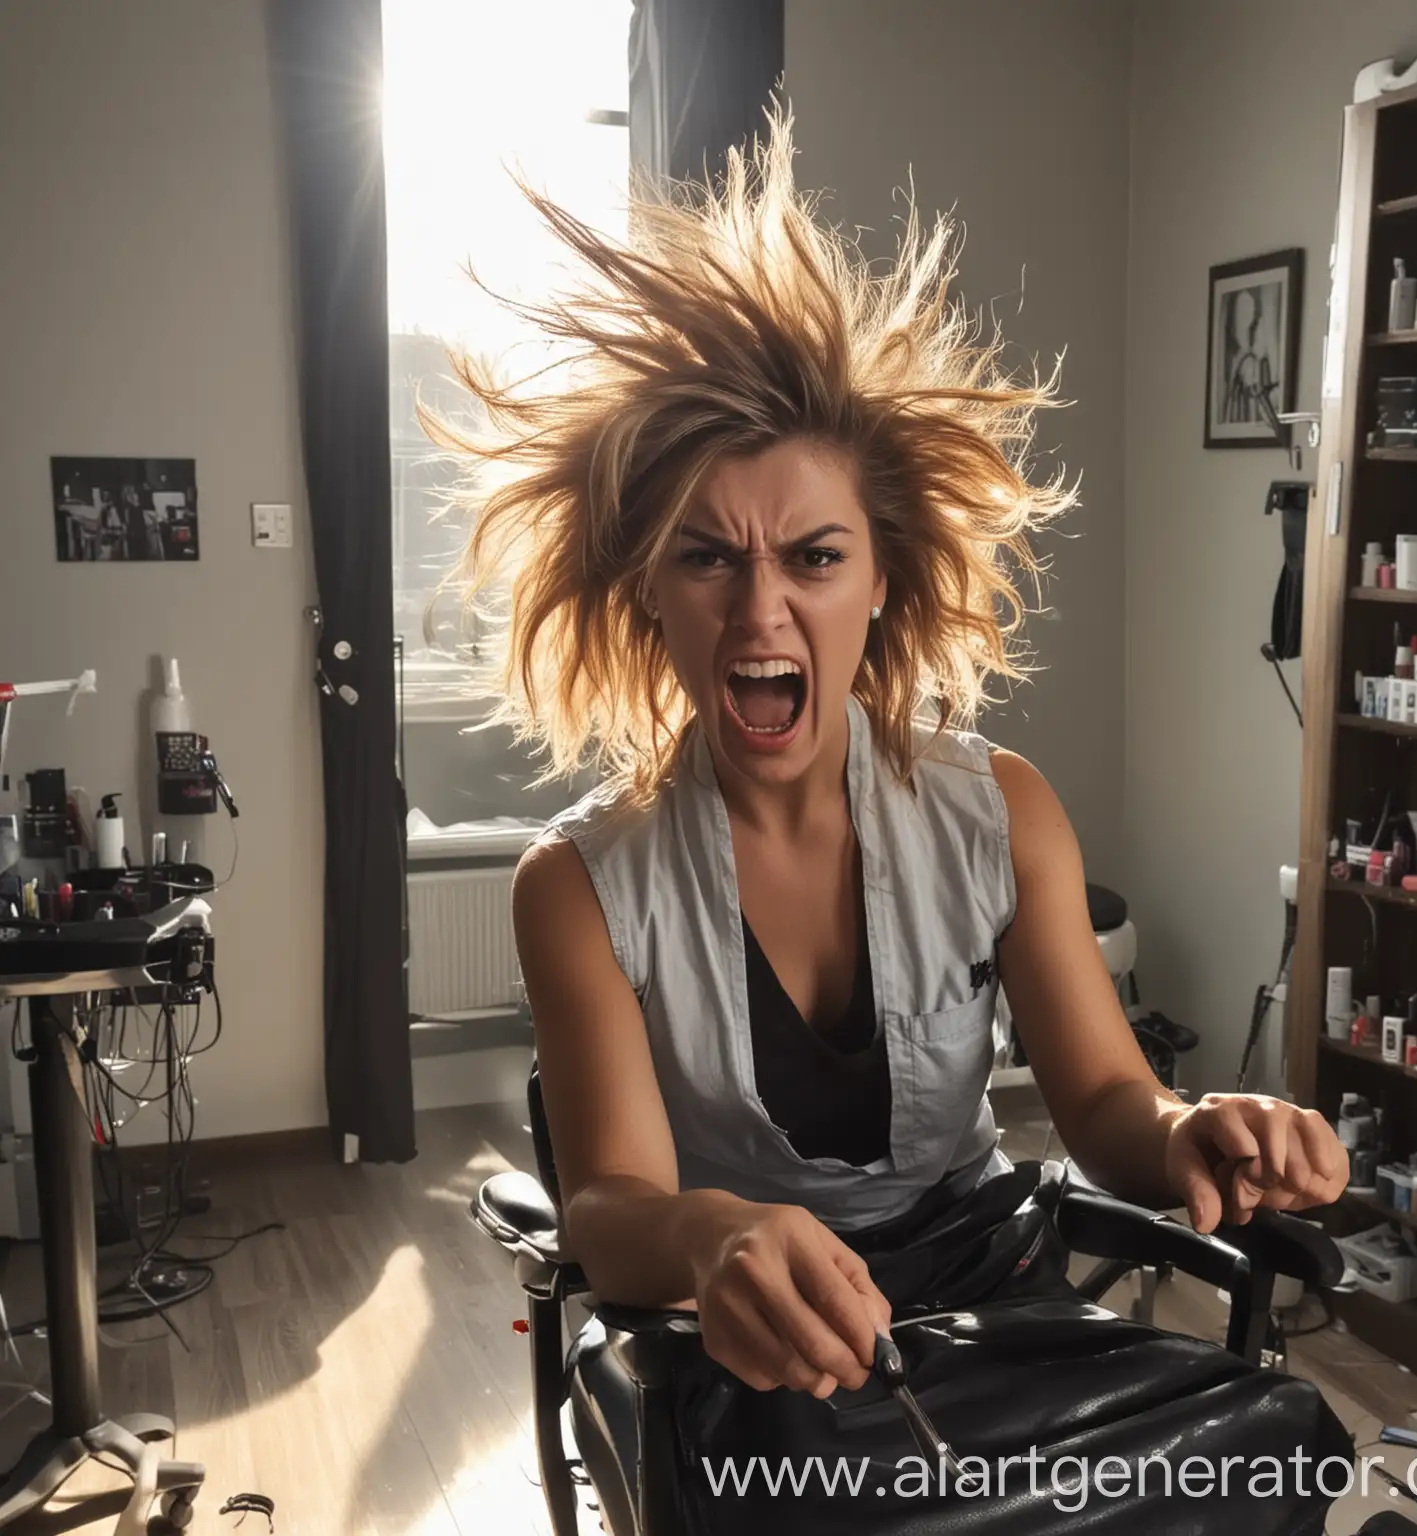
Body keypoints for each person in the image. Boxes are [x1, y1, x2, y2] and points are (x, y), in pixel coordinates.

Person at [453, 112, 1349, 1522]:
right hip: (745, 1339)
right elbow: (612, 1207)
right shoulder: (577, 883)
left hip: (989, 1292)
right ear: (647, 592)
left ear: (882, 580)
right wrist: (716, 1240)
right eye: (706, 559)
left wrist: (1187, 1132)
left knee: (1278, 1444)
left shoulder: (1000, 812)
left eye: (814, 556)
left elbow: (1108, 1100)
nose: (762, 610)